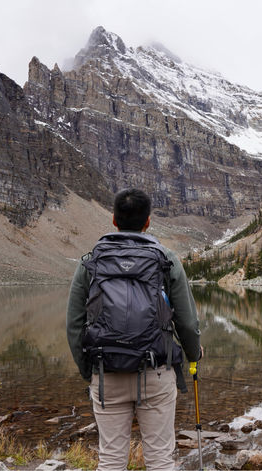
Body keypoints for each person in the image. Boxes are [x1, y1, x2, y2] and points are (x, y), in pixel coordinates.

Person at [67, 188, 202, 471]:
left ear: (113, 220)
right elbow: (187, 322)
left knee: (111, 459)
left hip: (106, 374)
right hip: (156, 372)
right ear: (148, 222)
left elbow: (74, 325)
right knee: (160, 459)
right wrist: (193, 354)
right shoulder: (166, 259)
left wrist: (87, 369)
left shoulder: (90, 262)